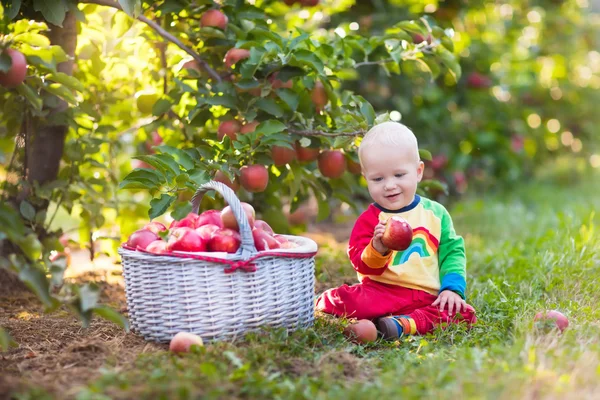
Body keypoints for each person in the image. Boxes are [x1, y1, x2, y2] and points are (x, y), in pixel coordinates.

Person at [315, 121, 476, 339]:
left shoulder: (436, 214)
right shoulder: (370, 220)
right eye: (378, 179)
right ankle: (320, 301)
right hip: (382, 291)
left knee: (461, 313)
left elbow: (453, 252)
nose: (389, 185)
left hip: (427, 295)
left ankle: (401, 325)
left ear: (419, 172)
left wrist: (451, 289)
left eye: (399, 175)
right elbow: (361, 263)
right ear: (366, 179)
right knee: (347, 299)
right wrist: (378, 247)